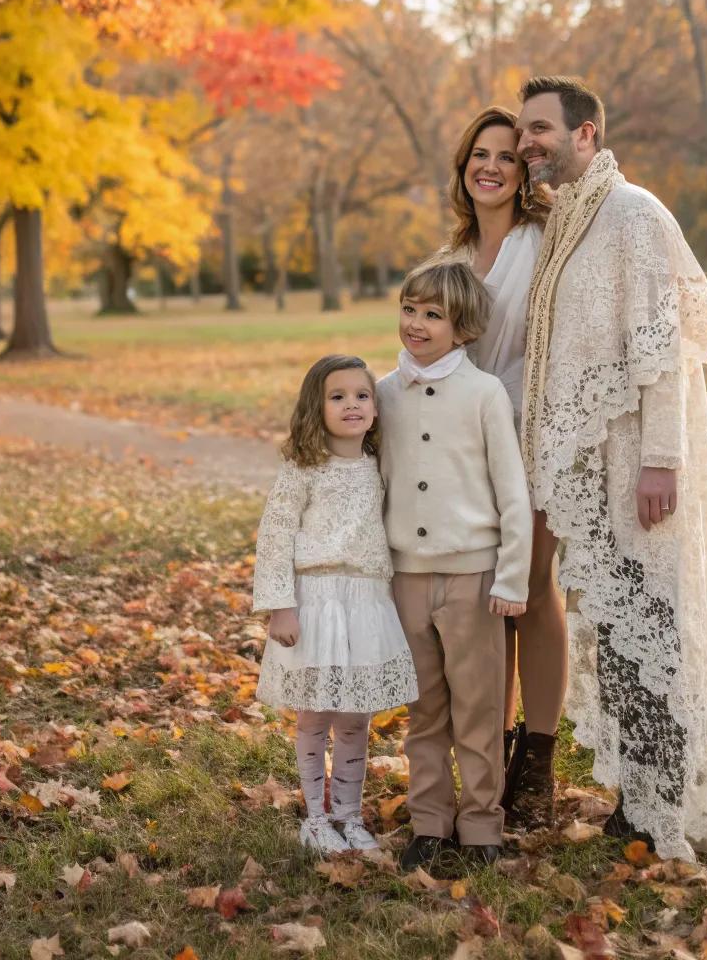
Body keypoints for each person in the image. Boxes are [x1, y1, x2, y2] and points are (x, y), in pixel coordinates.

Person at [514, 74, 707, 859]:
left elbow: (665, 350)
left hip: (633, 460)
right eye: (522, 131)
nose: (526, 143)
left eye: (539, 129)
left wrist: (661, 460)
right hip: (586, 463)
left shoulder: (634, 213)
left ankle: (661, 810)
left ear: (585, 134)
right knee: (617, 624)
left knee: (647, 622)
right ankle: (640, 800)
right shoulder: (568, 218)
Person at [379, 259, 533, 872]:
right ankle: (429, 822)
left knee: (478, 708)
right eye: (409, 309)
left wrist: (512, 576)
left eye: (433, 315)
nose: (415, 323)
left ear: (462, 328)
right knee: (423, 709)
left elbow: (512, 492)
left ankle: (482, 825)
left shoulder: (484, 394)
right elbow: (376, 484)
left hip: (474, 579)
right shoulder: (383, 393)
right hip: (406, 578)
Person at [444, 108, 565, 820]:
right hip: (467, 445)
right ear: (464, 166)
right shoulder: (451, 257)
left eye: (506, 157)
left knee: (534, 588)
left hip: (536, 433)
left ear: (523, 172)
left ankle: (539, 759)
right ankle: (491, 756)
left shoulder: (544, 241)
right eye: (479, 155)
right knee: (489, 599)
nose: (490, 167)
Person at [253, 354, 418, 856]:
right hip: (316, 600)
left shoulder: (379, 466)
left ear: (376, 407)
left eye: (362, 395)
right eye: (338, 396)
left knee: (354, 718)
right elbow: (275, 536)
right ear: (316, 407)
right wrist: (279, 605)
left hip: (366, 601)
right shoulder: (303, 469)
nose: (352, 405)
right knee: (315, 714)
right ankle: (316, 817)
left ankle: (348, 814)